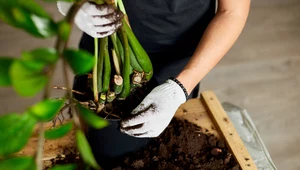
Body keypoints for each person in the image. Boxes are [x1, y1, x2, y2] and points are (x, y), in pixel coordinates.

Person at [58, 0, 250, 168]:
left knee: (168, 142)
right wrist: (71, 4)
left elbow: (232, 11)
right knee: (101, 145)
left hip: (180, 60)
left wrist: (179, 88)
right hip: (108, 51)